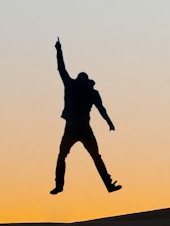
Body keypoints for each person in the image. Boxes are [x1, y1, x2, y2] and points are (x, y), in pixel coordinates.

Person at [50, 37, 121, 195]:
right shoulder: (88, 90)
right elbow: (101, 109)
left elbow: (61, 68)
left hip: (76, 127)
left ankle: (60, 186)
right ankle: (108, 185)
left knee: (65, 156)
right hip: (79, 128)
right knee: (93, 156)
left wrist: (58, 50)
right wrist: (109, 122)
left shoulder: (74, 86)